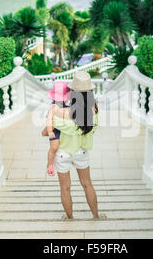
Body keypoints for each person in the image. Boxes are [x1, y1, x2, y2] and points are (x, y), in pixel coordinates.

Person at [42, 71, 106, 220]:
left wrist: (48, 129)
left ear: (73, 92)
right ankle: (96, 215)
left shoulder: (62, 113)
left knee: (65, 187)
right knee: (87, 184)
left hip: (62, 153)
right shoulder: (93, 112)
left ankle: (70, 217)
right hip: (81, 152)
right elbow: (92, 130)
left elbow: (47, 131)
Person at [42, 81, 71, 177]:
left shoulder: (66, 105)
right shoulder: (53, 106)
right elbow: (49, 119)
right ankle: (50, 164)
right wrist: (50, 131)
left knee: (63, 145)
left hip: (62, 126)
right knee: (54, 147)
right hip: (54, 128)